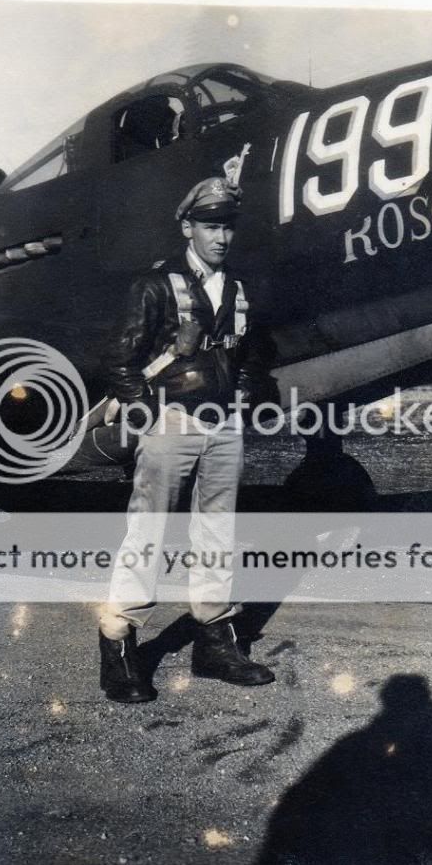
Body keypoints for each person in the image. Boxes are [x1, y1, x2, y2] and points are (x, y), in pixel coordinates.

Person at [98, 175, 275, 703]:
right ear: (188, 227)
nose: (221, 237)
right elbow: (119, 358)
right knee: (147, 531)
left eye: (227, 227)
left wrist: (241, 398)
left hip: (224, 425)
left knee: (218, 531)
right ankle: (119, 643)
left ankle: (215, 642)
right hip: (171, 421)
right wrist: (148, 411)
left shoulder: (237, 290)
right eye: (210, 226)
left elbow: (247, 357)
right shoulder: (155, 287)